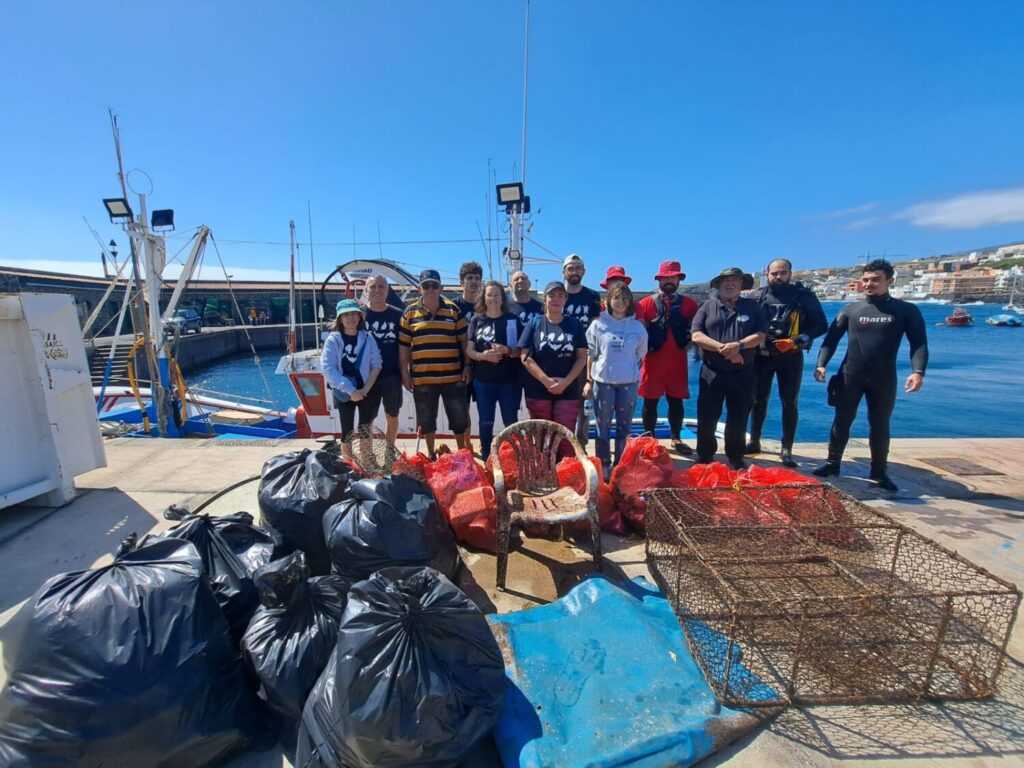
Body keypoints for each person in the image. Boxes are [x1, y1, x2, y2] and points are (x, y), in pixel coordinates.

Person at [813, 259, 928, 491]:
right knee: (841, 421)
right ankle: (832, 464)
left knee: (879, 424)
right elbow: (830, 341)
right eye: (866, 280)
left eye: (876, 280)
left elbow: (919, 344)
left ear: (889, 281)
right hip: (850, 375)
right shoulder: (851, 310)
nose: (869, 284)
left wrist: (918, 372)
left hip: (883, 378)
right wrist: (822, 364)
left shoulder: (905, 310)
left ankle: (879, 472)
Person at [745, 258, 829, 467]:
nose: (778, 277)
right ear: (767, 274)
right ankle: (754, 441)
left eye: (782, 273)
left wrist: (796, 341)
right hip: (762, 356)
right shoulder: (757, 296)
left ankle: (786, 449)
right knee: (757, 400)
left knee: (789, 401)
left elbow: (820, 325)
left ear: (790, 273)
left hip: (790, 356)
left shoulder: (803, 297)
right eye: (774, 273)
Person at [690, 267, 768, 470]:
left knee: (739, 417)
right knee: (707, 416)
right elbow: (696, 335)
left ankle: (735, 456)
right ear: (719, 285)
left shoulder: (753, 307)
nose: (730, 284)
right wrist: (722, 348)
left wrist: (739, 346)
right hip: (712, 373)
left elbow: (761, 335)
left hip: (743, 374)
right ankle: (705, 455)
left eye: (735, 280)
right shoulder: (707, 306)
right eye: (726, 281)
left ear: (742, 285)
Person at [398, 269, 471, 458]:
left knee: (459, 419)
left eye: (434, 285)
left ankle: (462, 454)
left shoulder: (454, 310)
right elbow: (404, 346)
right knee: (426, 420)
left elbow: (464, 341)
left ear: (441, 288)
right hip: (422, 378)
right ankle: (431, 455)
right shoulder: (409, 313)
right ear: (419, 289)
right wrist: (404, 373)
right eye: (426, 285)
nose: (430, 289)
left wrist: (468, 366)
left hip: (453, 376)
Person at [635, 260, 699, 455]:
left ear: (678, 280)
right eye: (666, 278)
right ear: (659, 280)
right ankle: (649, 438)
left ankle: (676, 438)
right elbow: (637, 332)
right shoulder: (645, 304)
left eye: (673, 277)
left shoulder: (689, 304)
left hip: (678, 362)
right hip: (653, 361)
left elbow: (699, 330)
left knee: (676, 401)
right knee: (650, 402)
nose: (670, 281)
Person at [518, 280, 588, 457]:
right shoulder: (534, 323)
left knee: (565, 438)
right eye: (551, 295)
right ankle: (544, 475)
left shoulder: (575, 325)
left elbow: (581, 357)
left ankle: (565, 474)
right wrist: (546, 381)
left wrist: (566, 382)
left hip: (568, 389)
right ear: (544, 299)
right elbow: (525, 358)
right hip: (538, 390)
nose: (556, 299)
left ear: (565, 299)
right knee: (542, 439)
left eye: (560, 295)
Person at [584, 284, 648, 478]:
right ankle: (603, 464)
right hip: (603, 384)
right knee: (602, 427)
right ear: (608, 301)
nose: (620, 303)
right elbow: (591, 354)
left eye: (625, 299)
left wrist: (626, 370)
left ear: (630, 303)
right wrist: (589, 379)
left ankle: (620, 465)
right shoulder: (597, 325)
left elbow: (641, 353)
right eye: (616, 298)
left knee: (624, 427)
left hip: (628, 384)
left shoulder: (637, 327)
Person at [465, 281, 523, 460]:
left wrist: (507, 350)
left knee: (510, 422)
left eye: (497, 294)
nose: (493, 298)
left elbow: (523, 351)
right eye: (490, 294)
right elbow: (469, 351)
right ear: (484, 297)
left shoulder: (512, 319)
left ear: (502, 298)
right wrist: (484, 356)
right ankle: (487, 457)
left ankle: (512, 458)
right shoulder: (476, 320)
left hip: (509, 381)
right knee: (485, 422)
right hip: (484, 381)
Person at [321, 299, 382, 439]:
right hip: (343, 392)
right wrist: (351, 390)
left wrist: (365, 390)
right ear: (340, 319)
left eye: (354, 314)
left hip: (365, 392)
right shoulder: (333, 340)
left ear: (360, 317)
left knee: (365, 432)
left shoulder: (368, 338)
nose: (350, 318)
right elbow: (329, 369)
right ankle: (348, 460)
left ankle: (365, 460)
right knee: (346, 433)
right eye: (346, 314)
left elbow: (377, 365)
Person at [561, 253, 602, 445]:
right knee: (562, 405)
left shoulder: (593, 297)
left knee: (584, 404)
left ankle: (581, 445)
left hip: (585, 357)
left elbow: (595, 330)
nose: (574, 272)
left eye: (578, 268)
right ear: (564, 272)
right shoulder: (557, 294)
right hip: (560, 357)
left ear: (583, 271)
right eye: (571, 268)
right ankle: (561, 445)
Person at [362, 274, 404, 443]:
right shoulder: (358, 315)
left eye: (381, 286)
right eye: (372, 286)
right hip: (366, 376)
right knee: (367, 419)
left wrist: (405, 373)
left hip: (391, 374)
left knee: (392, 416)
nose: (377, 290)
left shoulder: (398, 314)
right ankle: (367, 457)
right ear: (366, 290)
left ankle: (389, 453)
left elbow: (405, 347)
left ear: (387, 290)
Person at [454, 261, 484, 452]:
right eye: (469, 278)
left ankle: (485, 441)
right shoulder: (453, 307)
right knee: (462, 409)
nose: (473, 282)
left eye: (477, 278)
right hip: (459, 364)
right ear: (462, 282)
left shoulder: (486, 305)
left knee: (484, 407)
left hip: (483, 364)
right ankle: (466, 444)